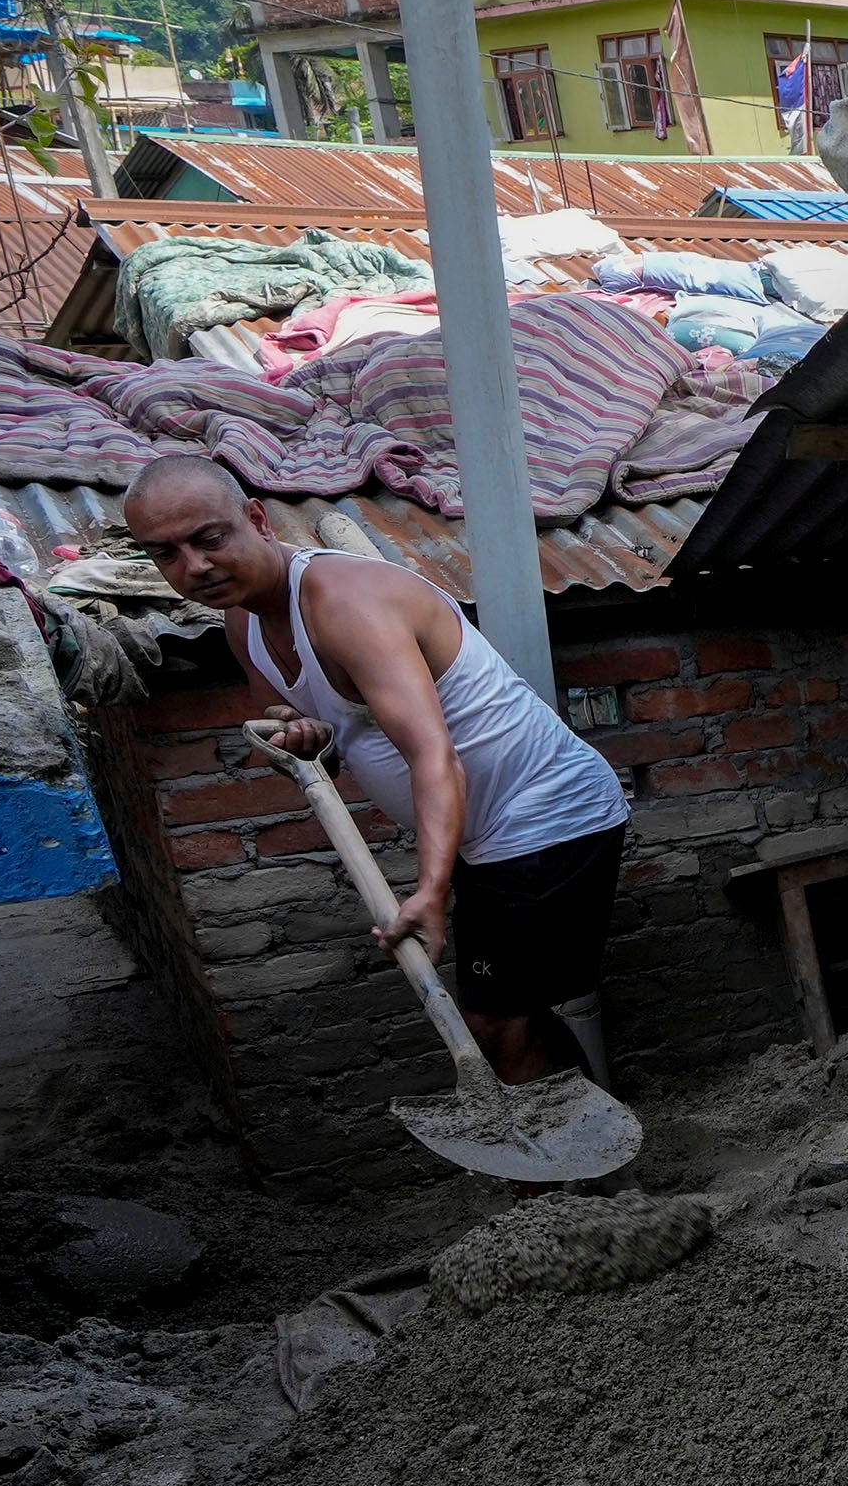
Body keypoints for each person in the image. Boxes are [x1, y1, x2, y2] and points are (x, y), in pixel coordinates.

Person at [120, 452, 632, 1086]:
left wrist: (430, 891)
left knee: (494, 1025)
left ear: (257, 519)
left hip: (545, 816)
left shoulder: (346, 603)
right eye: (165, 554)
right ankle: (585, 1135)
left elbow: (434, 754)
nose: (193, 566)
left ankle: (565, 1147)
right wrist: (303, 738)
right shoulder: (242, 622)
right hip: (481, 835)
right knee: (510, 1016)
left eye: (209, 539)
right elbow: (310, 749)